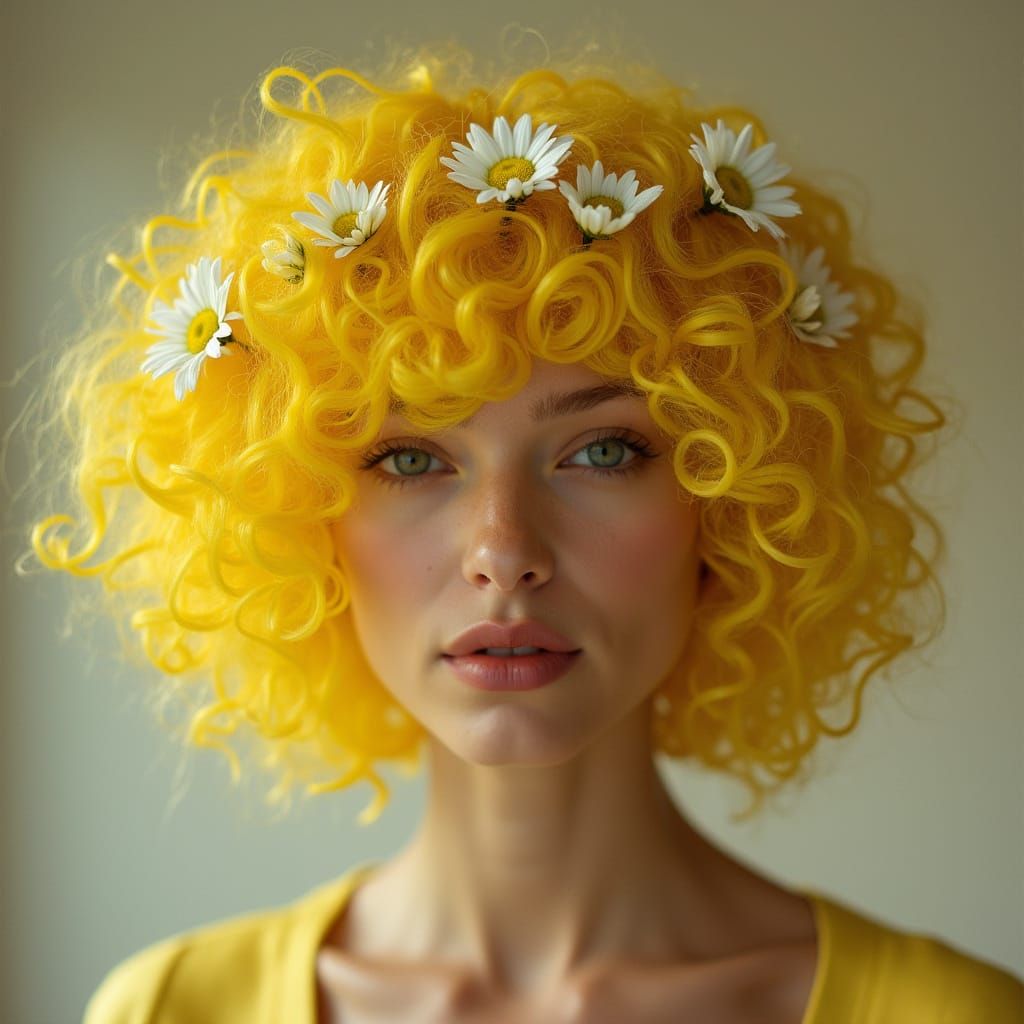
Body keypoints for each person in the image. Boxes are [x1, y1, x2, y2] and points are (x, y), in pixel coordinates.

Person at [21, 41, 1022, 1023]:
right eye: (409, 459)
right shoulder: (172, 1009)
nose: (503, 551)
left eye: (602, 452)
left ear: (732, 502)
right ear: (299, 518)